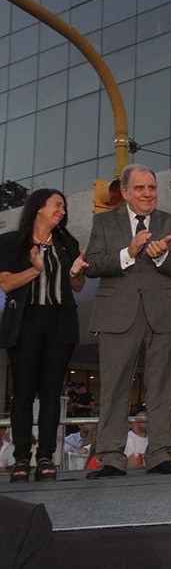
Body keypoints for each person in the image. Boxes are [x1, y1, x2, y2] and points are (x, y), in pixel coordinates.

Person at [84, 164, 171, 478]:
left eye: (152, 188)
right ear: (126, 192)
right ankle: (111, 458)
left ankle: (160, 455)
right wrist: (127, 253)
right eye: (141, 188)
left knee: (163, 387)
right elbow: (92, 264)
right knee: (114, 387)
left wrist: (161, 256)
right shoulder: (104, 222)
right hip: (117, 315)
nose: (148, 194)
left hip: (164, 315)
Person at [0, 189, 87, 482]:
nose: (61, 211)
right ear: (38, 208)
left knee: (51, 393)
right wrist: (35, 270)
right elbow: (7, 283)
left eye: (63, 207)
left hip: (59, 322)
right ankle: (21, 457)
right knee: (23, 392)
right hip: (25, 321)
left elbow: (76, 286)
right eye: (56, 205)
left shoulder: (67, 243)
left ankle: (47, 456)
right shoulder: (12, 243)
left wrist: (76, 272)